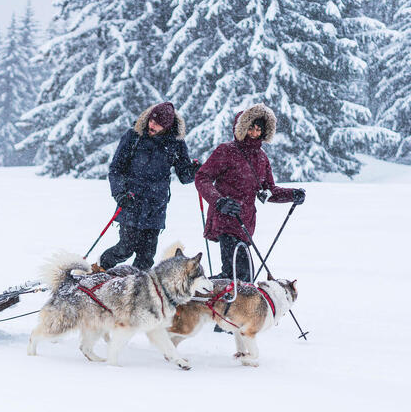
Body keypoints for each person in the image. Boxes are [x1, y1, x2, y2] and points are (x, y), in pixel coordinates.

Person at [195, 103, 306, 283]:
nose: (254, 133)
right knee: (240, 277)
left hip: (245, 224)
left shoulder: (261, 158)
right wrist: (219, 201)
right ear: (241, 128)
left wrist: (292, 194)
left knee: (241, 278)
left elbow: (270, 191)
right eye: (250, 129)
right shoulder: (226, 151)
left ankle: (210, 292)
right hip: (225, 219)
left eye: (258, 130)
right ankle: (209, 297)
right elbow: (202, 178)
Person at [100, 101, 200, 271]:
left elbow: (184, 176)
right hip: (131, 200)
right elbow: (116, 169)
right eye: (152, 120)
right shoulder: (133, 137)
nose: (152, 125)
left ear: (167, 127)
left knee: (146, 257)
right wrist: (119, 193)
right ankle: (102, 266)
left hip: (156, 205)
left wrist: (194, 170)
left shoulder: (175, 143)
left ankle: (137, 290)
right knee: (125, 248)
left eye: (159, 124)